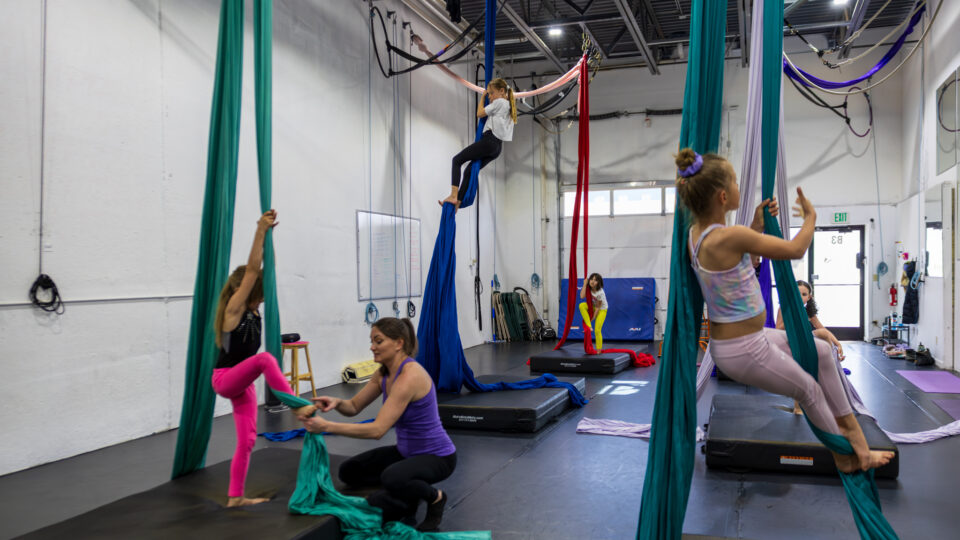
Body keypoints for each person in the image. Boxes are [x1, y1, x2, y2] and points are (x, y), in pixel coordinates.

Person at [675, 148, 893, 473]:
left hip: (748, 339)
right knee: (809, 389)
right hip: (743, 349)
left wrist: (755, 225)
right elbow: (795, 249)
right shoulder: (730, 236)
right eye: (735, 182)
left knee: (821, 352)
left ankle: (851, 429)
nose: (739, 188)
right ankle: (845, 457)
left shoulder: (698, 235)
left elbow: (734, 266)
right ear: (723, 196)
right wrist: (811, 218)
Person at [301, 318, 456, 531]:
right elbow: (354, 406)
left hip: (438, 457)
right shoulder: (383, 372)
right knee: (349, 471)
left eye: (378, 341)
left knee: (392, 477)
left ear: (398, 343)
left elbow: (377, 430)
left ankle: (436, 498)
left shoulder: (409, 376)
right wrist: (336, 402)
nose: (372, 347)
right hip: (405, 452)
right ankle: (407, 496)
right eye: (372, 341)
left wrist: (326, 427)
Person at [211, 209, 317, 507]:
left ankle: (235, 498)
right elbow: (255, 270)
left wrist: (271, 237)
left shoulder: (255, 311)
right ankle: (298, 406)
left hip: (242, 383)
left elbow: (265, 268)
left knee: (246, 441)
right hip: (225, 379)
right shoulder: (234, 309)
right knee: (265, 360)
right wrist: (260, 229)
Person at [440, 78, 517, 210]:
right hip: (497, 148)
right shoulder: (509, 107)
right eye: (489, 94)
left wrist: (482, 98)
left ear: (502, 91)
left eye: (491, 93)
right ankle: (457, 202)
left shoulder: (500, 102)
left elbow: (479, 113)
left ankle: (453, 195)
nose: (490, 97)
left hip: (489, 141)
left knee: (457, 160)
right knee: (469, 170)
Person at [776, 280, 846, 414]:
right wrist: (793, 317)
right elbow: (778, 328)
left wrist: (837, 343)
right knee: (802, 371)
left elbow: (821, 328)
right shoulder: (784, 309)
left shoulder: (808, 312)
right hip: (792, 342)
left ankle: (831, 362)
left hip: (808, 341)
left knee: (823, 334)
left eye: (804, 294)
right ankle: (798, 406)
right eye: (797, 293)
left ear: (809, 297)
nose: (800, 297)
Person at [579, 273, 608, 351]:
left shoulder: (600, 292)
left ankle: (599, 349)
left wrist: (593, 318)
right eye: (591, 279)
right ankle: (589, 327)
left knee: (597, 330)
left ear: (599, 282)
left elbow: (598, 307)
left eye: (595, 280)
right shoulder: (588, 287)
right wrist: (585, 284)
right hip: (593, 306)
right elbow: (581, 296)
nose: (592, 281)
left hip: (601, 309)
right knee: (581, 305)